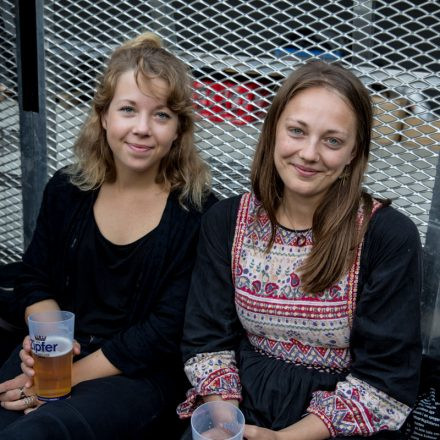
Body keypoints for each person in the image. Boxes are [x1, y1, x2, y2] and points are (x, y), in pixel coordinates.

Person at [177, 60, 422, 439]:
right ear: (273, 132)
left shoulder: (387, 236)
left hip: (337, 424)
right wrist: (226, 425)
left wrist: (283, 438)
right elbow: (207, 339)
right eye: (297, 131)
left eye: (332, 140)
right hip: (240, 405)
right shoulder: (226, 221)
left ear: (353, 155)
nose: (309, 153)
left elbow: (384, 378)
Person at [0, 31, 215, 439]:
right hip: (61, 356)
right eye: (128, 110)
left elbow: (166, 330)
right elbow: (34, 278)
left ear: (178, 130)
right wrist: (47, 349)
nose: (142, 128)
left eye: (162, 115)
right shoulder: (67, 189)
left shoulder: (197, 212)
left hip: (137, 375)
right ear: (103, 116)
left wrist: (69, 376)